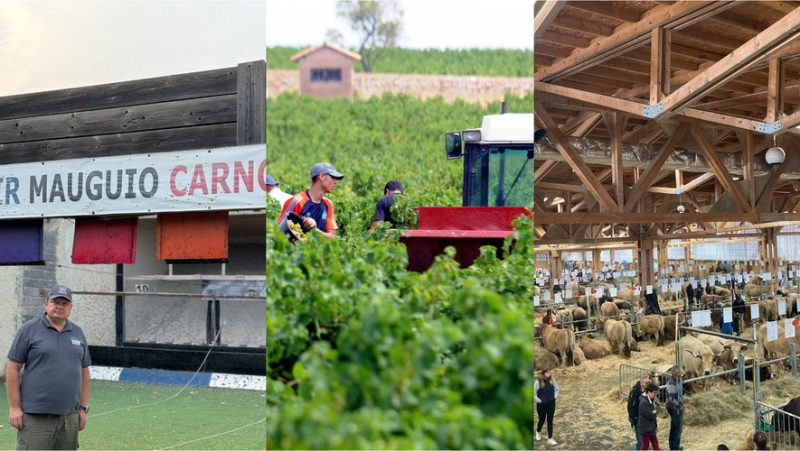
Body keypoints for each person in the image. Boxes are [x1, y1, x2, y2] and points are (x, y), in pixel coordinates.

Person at [6, 284, 91, 450]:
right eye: (55, 302)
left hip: (69, 418)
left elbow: (84, 373)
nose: (59, 306)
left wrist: (82, 409)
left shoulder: (78, 333)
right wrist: (15, 408)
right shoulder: (29, 329)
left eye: (64, 303)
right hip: (35, 416)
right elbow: (12, 368)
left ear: (70, 307)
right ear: (46, 304)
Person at [278, 162, 344, 239]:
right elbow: (279, 231)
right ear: (322, 176)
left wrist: (314, 230)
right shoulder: (297, 201)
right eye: (333, 177)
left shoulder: (328, 204)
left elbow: (332, 237)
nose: (335, 182)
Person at [534, 368, 559, 445]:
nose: (549, 374)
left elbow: (557, 389)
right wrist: (539, 401)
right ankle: (538, 431)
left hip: (551, 403)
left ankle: (550, 438)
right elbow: (534, 394)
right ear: (543, 373)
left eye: (550, 372)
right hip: (542, 405)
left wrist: (554, 397)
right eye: (547, 373)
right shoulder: (538, 382)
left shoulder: (552, 380)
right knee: (542, 419)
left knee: (550, 420)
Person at [628, 375, 651, 450]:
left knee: (645, 441)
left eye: (649, 382)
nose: (648, 384)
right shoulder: (635, 392)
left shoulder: (647, 390)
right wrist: (634, 419)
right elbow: (630, 406)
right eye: (646, 383)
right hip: (638, 419)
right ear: (641, 383)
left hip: (646, 419)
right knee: (640, 442)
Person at [665, 366, 685, 451]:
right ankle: (674, 448)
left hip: (675, 408)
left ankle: (674, 446)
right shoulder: (672, 384)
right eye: (681, 372)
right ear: (677, 373)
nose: (682, 373)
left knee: (675, 428)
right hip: (675, 410)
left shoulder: (676, 380)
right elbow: (671, 399)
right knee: (677, 430)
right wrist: (679, 406)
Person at [638, 383, 661, 450]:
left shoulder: (651, 400)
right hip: (646, 428)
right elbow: (651, 416)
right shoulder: (644, 402)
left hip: (651, 427)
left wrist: (654, 411)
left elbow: (658, 407)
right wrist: (654, 412)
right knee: (645, 446)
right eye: (654, 393)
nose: (655, 395)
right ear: (649, 392)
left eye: (656, 393)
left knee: (655, 444)